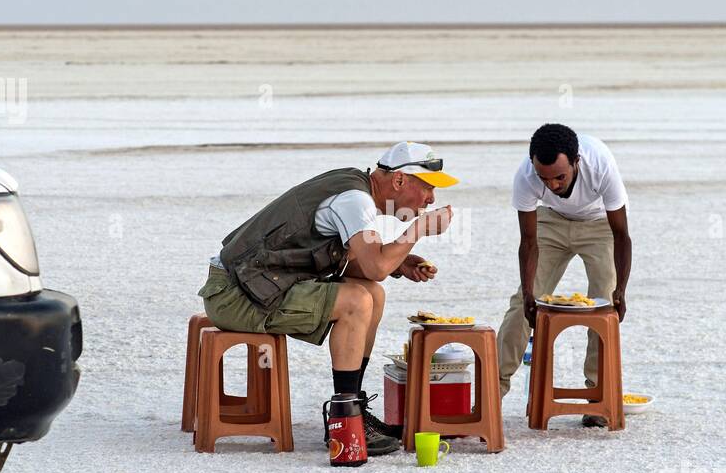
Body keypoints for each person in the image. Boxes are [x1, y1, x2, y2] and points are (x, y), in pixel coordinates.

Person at [199, 142, 457, 455]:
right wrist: (416, 231)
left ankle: (355, 408)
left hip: (257, 284)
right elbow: (375, 266)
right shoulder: (355, 200)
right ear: (400, 181)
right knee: (356, 300)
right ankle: (343, 417)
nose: (431, 199)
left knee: (372, 294)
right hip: (235, 295)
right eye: (428, 188)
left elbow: (362, 263)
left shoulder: (354, 187)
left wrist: (399, 262)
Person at [497, 123, 631, 426]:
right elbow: (528, 242)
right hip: (551, 223)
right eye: (546, 179)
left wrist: (620, 290)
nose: (554, 185)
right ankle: (494, 389)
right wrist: (531, 293)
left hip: (599, 225)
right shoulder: (526, 176)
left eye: (561, 176)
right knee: (522, 304)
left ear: (576, 162)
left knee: (603, 304)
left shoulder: (600, 163)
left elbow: (622, 235)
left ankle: (597, 399)